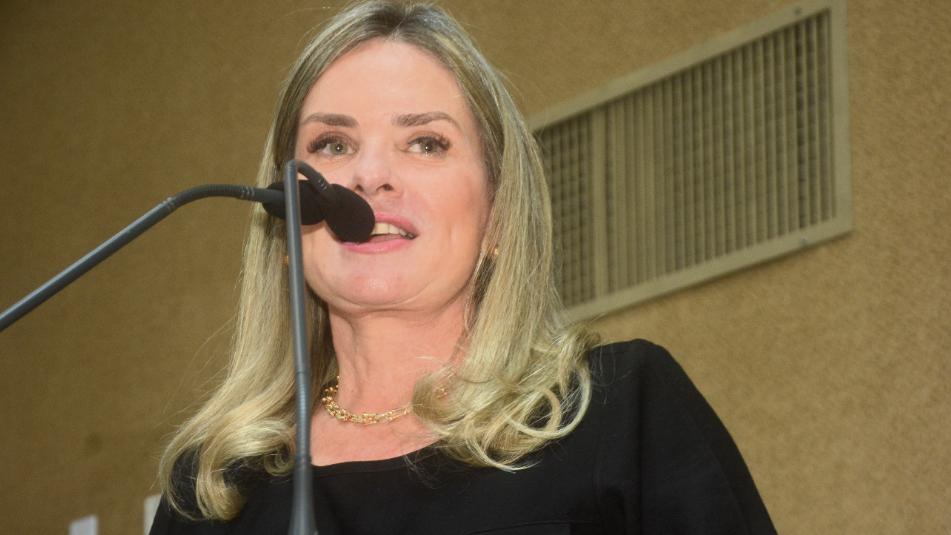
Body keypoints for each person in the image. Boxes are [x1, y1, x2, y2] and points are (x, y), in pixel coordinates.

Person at [149, 2, 776, 534]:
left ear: (498, 215)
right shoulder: (213, 486)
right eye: (332, 145)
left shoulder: (618, 412)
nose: (370, 174)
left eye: (425, 143)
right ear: (285, 216)